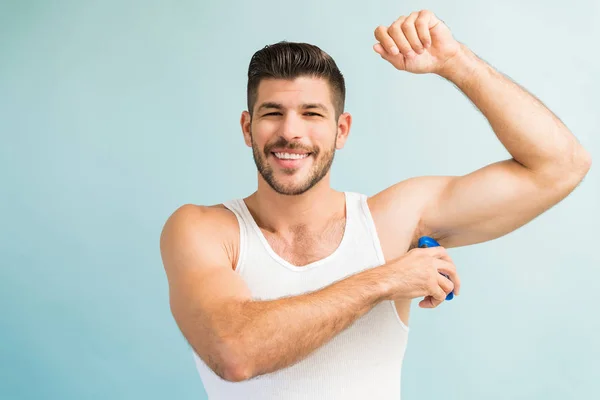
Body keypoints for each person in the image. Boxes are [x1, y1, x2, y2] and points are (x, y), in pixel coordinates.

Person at [159, 9, 591, 400]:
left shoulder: (390, 221)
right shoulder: (204, 230)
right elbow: (235, 353)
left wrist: (457, 63)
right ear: (247, 127)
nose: (290, 132)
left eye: (312, 114)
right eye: (272, 112)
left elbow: (560, 166)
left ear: (341, 130)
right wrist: (385, 280)